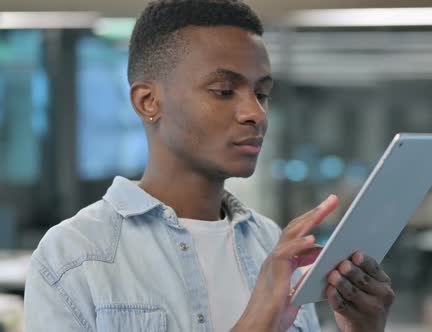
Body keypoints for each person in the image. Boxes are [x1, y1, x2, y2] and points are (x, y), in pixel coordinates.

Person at [23, 0, 395, 331]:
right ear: (148, 101)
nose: (256, 113)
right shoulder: (74, 256)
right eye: (223, 91)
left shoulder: (271, 243)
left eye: (262, 94)